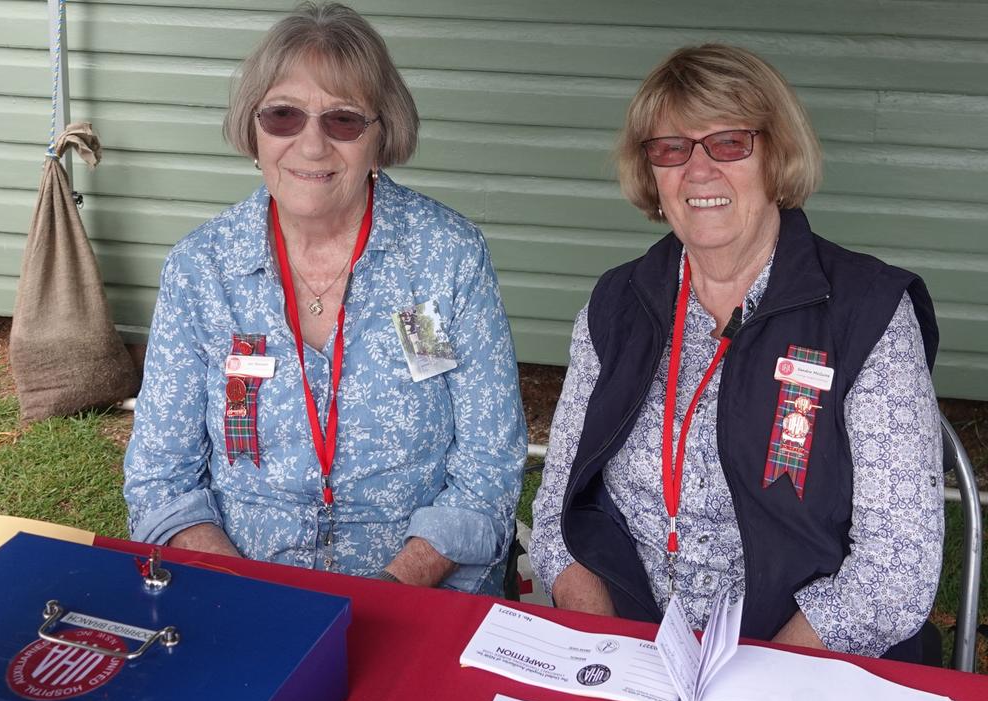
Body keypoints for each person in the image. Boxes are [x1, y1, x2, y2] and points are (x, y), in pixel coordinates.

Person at [529, 44, 943, 661]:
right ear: (651, 173)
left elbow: (896, 574)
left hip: (802, 655)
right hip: (634, 644)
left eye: (728, 143)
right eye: (671, 147)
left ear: (777, 156)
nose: (698, 170)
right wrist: (609, 650)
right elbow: (558, 509)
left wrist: (758, 683)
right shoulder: (618, 303)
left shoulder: (867, 311)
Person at [124, 2, 526, 594]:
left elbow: (489, 465)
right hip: (241, 590)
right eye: (283, 116)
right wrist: (245, 593)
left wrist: (387, 590)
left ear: (381, 134)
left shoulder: (443, 258)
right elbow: (161, 476)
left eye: (342, 120)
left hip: (417, 591)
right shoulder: (203, 269)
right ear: (253, 130)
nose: (310, 145)